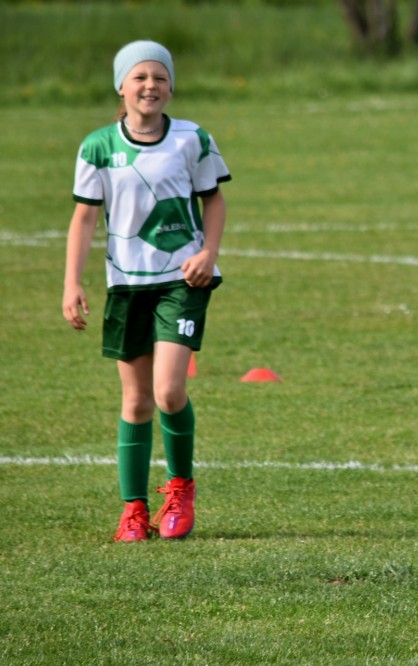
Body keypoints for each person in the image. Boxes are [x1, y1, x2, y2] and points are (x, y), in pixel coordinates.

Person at [62, 40, 231, 542]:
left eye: (160, 77)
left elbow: (214, 200)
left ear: (171, 86)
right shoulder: (97, 146)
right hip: (126, 284)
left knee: (168, 391)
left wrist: (208, 253)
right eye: (139, 77)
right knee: (136, 402)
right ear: (121, 86)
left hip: (182, 280)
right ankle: (133, 510)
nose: (150, 85)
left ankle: (180, 489)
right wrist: (72, 282)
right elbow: (84, 218)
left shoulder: (191, 139)